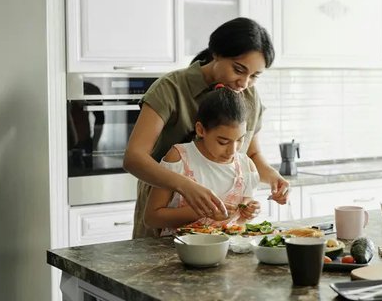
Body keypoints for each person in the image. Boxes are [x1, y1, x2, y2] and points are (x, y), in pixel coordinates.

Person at [123, 17, 290, 238]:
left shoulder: (249, 95)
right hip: (165, 221)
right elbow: (134, 158)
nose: (244, 83)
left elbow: (251, 153)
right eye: (238, 69)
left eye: (254, 76)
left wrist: (274, 178)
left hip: (221, 231)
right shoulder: (171, 88)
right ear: (217, 53)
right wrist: (186, 186)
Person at [144, 87, 261, 235]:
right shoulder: (179, 157)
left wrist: (250, 211)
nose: (233, 151)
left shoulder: (246, 166)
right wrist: (202, 211)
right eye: (223, 142)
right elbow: (151, 218)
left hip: (228, 251)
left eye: (240, 140)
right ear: (200, 130)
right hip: (178, 251)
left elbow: (241, 220)